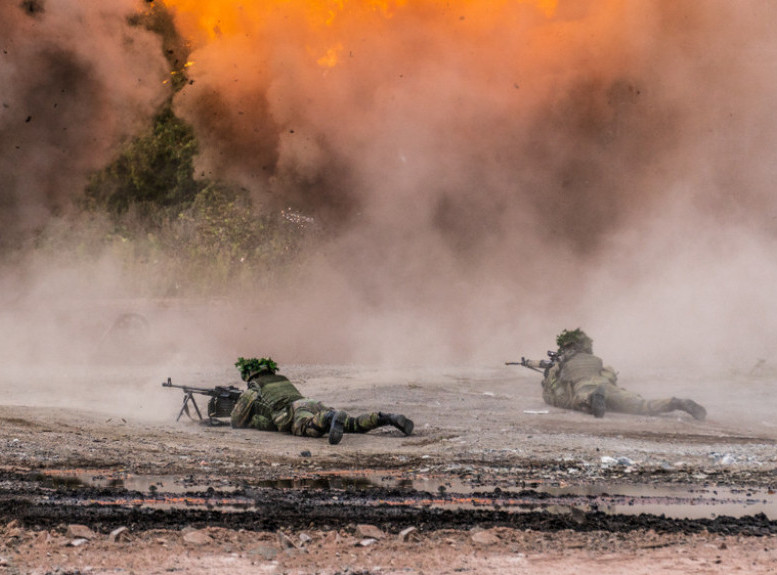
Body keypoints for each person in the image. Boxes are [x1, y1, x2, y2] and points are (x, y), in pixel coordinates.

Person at [521, 329, 707, 420]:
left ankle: (593, 400)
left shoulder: (564, 364)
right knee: (641, 405)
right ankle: (675, 403)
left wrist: (547, 377)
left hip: (586, 387)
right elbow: (610, 375)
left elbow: (552, 391)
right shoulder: (596, 361)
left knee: (580, 401)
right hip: (607, 385)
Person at [230, 357, 415, 445]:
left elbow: (236, 421)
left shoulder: (255, 387)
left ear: (250, 376)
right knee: (352, 424)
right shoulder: (281, 379)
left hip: (293, 410)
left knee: (307, 427)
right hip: (310, 402)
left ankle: (329, 417)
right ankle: (386, 418)